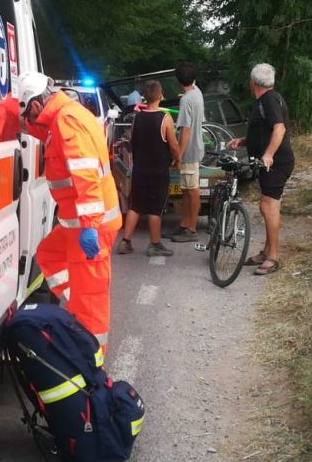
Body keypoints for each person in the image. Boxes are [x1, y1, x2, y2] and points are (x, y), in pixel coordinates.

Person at [20, 72, 122, 363]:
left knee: (91, 299)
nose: (31, 118)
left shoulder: (66, 123)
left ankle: (92, 361)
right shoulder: (66, 116)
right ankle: (75, 309)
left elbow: (86, 176)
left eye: (29, 111)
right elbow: (42, 132)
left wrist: (89, 227)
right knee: (49, 255)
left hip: (90, 227)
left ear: (38, 104)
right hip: (78, 224)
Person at [227, 62, 295, 276]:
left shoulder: (269, 100)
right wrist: (244, 141)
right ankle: (266, 251)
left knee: (268, 207)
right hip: (270, 162)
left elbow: (279, 129)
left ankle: (273, 257)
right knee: (267, 206)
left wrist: (268, 155)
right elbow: (263, 131)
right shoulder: (266, 100)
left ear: (253, 82)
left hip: (276, 163)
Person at [117, 80, 180, 257]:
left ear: (145, 97)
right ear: (160, 95)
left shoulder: (137, 118)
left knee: (135, 205)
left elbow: (132, 142)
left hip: (140, 170)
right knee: (155, 208)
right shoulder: (165, 119)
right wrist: (177, 160)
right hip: (158, 171)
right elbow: (174, 145)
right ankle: (154, 244)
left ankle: (125, 241)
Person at [167, 63, 205, 242]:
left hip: (189, 151)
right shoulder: (197, 92)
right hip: (195, 147)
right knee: (186, 189)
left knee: (192, 190)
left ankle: (191, 228)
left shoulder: (186, 99)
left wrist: (178, 155)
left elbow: (186, 130)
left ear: (178, 81)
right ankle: (184, 224)